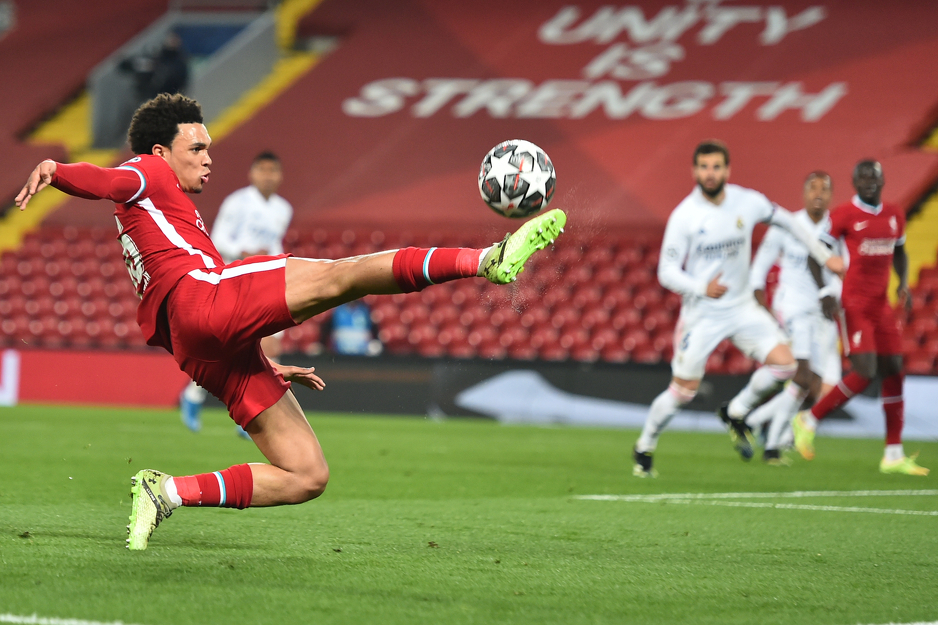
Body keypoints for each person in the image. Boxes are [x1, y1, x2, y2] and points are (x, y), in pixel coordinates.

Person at [15, 93, 567, 550]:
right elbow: (108, 180)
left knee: (306, 475)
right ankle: (486, 261)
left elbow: (178, 306)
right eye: (198, 147)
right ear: (162, 150)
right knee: (341, 276)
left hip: (200, 344)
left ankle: (168, 492)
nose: (209, 157)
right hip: (203, 299)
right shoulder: (149, 172)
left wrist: (262, 358)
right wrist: (57, 170)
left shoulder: (158, 207)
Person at [632, 140, 844, 477]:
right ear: (695, 171)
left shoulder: (749, 201)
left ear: (727, 170)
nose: (710, 173)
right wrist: (703, 288)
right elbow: (666, 272)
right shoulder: (685, 216)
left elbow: (788, 221)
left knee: (787, 366)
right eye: (704, 167)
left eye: (716, 167)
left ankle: (736, 410)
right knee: (682, 393)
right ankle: (645, 446)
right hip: (702, 313)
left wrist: (823, 254)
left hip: (742, 307)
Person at [791, 160, 928, 475]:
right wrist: (826, 292)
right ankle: (808, 419)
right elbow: (816, 255)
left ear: (882, 180)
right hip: (854, 303)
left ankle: (893, 455)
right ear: (854, 183)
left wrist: (903, 283)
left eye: (873, 177)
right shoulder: (843, 215)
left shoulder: (895, 214)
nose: (868, 182)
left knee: (894, 369)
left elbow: (900, 251)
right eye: (862, 177)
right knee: (865, 370)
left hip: (881, 305)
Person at [179, 151, 293, 436]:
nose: (268, 176)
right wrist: (245, 253)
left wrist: (277, 259)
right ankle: (194, 396)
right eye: (263, 170)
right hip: (235, 276)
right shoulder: (237, 203)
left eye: (273, 171)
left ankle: (254, 411)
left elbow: (275, 241)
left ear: (280, 176)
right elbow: (216, 239)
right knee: (228, 347)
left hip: (265, 278)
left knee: (270, 346)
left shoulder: (283, 208)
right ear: (252, 174)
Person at [744, 171, 842, 464]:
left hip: (823, 314)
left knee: (815, 389)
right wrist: (765, 312)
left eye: (824, 189)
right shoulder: (787, 225)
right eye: (813, 188)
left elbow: (841, 269)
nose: (818, 194)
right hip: (793, 309)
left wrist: (833, 295)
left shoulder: (836, 228)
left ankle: (755, 420)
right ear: (803, 193)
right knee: (802, 378)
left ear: (831, 195)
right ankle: (774, 444)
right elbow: (758, 272)